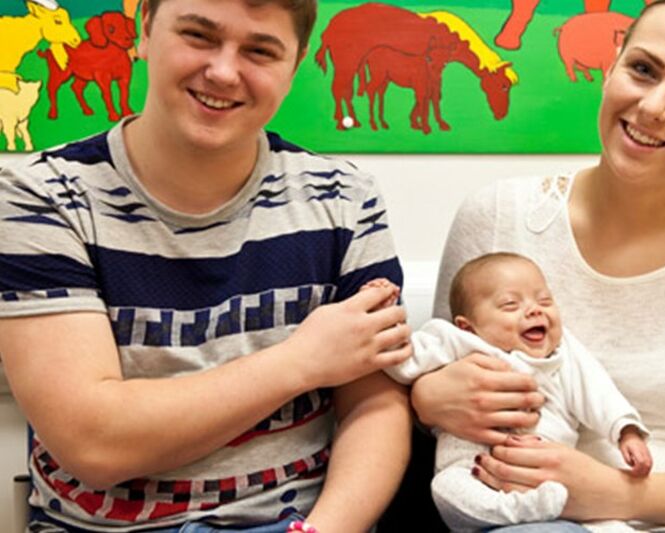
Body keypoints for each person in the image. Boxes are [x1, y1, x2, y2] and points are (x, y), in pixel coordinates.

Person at [0, 0, 413, 531]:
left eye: (260, 51)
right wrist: (301, 362)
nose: (223, 72)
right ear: (143, 31)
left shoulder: (346, 198)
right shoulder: (40, 197)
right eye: (198, 36)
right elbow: (94, 442)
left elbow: (375, 409)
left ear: (295, 65)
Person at [408, 0, 665, 531]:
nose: (653, 106)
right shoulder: (498, 217)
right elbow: (443, 385)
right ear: (611, 67)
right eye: (643, 69)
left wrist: (610, 493)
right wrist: (428, 400)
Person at [366, 252, 652, 532]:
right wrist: (382, 314)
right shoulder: (457, 341)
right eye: (510, 305)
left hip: (547, 474)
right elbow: (403, 362)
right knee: (445, 487)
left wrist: (626, 430)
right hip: (473, 469)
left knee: (597, 519)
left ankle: (536, 508)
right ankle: (513, 509)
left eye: (545, 300)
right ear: (469, 326)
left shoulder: (563, 355)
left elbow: (598, 391)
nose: (535, 310)